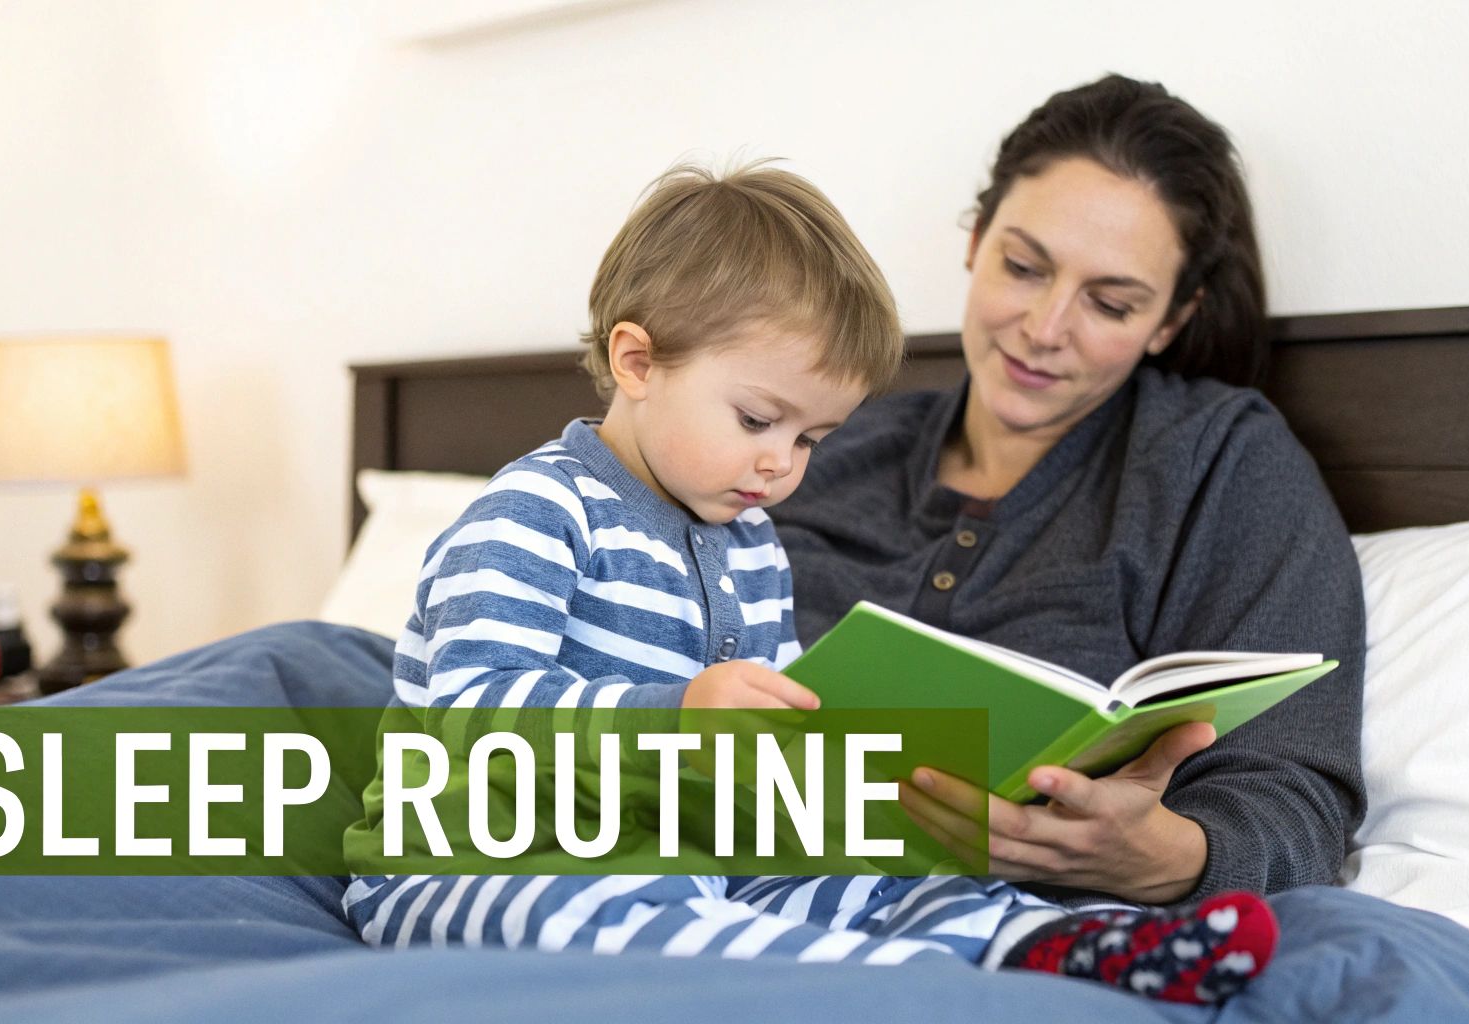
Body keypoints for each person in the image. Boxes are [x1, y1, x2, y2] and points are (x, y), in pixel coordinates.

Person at [344, 152, 1286, 1006]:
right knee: (598, 908)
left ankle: (1057, 945)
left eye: (811, 440)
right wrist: (675, 714)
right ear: (637, 361)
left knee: (873, 876)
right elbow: (469, 709)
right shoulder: (537, 510)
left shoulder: (752, 544)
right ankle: (894, 984)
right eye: (758, 420)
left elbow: (777, 737)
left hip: (688, 849)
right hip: (472, 856)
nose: (780, 465)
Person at [773, 74, 1367, 911]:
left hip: (1010, 934)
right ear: (976, 240)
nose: (1045, 329)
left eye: (1111, 304)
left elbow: (1297, 797)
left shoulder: (1220, 462)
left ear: (1169, 321)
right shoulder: (814, 442)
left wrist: (1161, 858)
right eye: (1023, 267)